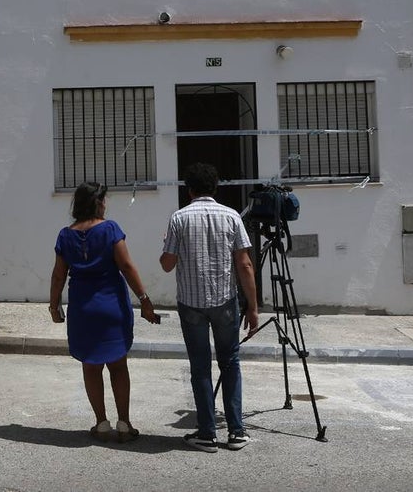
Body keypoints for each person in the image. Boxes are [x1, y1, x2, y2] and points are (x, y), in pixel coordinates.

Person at [49, 182, 159, 443]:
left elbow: (58, 275)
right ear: (98, 203)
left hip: (82, 309)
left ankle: (101, 423)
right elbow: (127, 266)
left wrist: (54, 305)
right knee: (118, 366)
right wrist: (144, 299)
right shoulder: (110, 229)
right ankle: (124, 423)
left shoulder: (65, 235)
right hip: (111, 306)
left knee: (91, 366)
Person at [161, 162, 259, 452]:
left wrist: (167, 245)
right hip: (224, 301)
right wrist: (252, 307)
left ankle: (206, 433)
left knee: (200, 368)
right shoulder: (231, 217)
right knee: (230, 363)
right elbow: (244, 264)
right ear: (215, 187)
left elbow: (167, 265)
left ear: (188, 189)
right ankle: (237, 432)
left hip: (191, 303)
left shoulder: (178, 218)